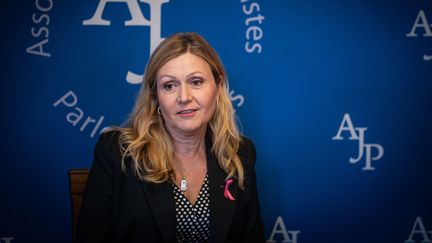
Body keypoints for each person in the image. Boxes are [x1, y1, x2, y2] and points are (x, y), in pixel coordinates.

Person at [76, 32, 265, 243]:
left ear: (218, 87)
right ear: (156, 95)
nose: (184, 97)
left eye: (196, 81)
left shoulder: (240, 153)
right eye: (169, 85)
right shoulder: (117, 154)